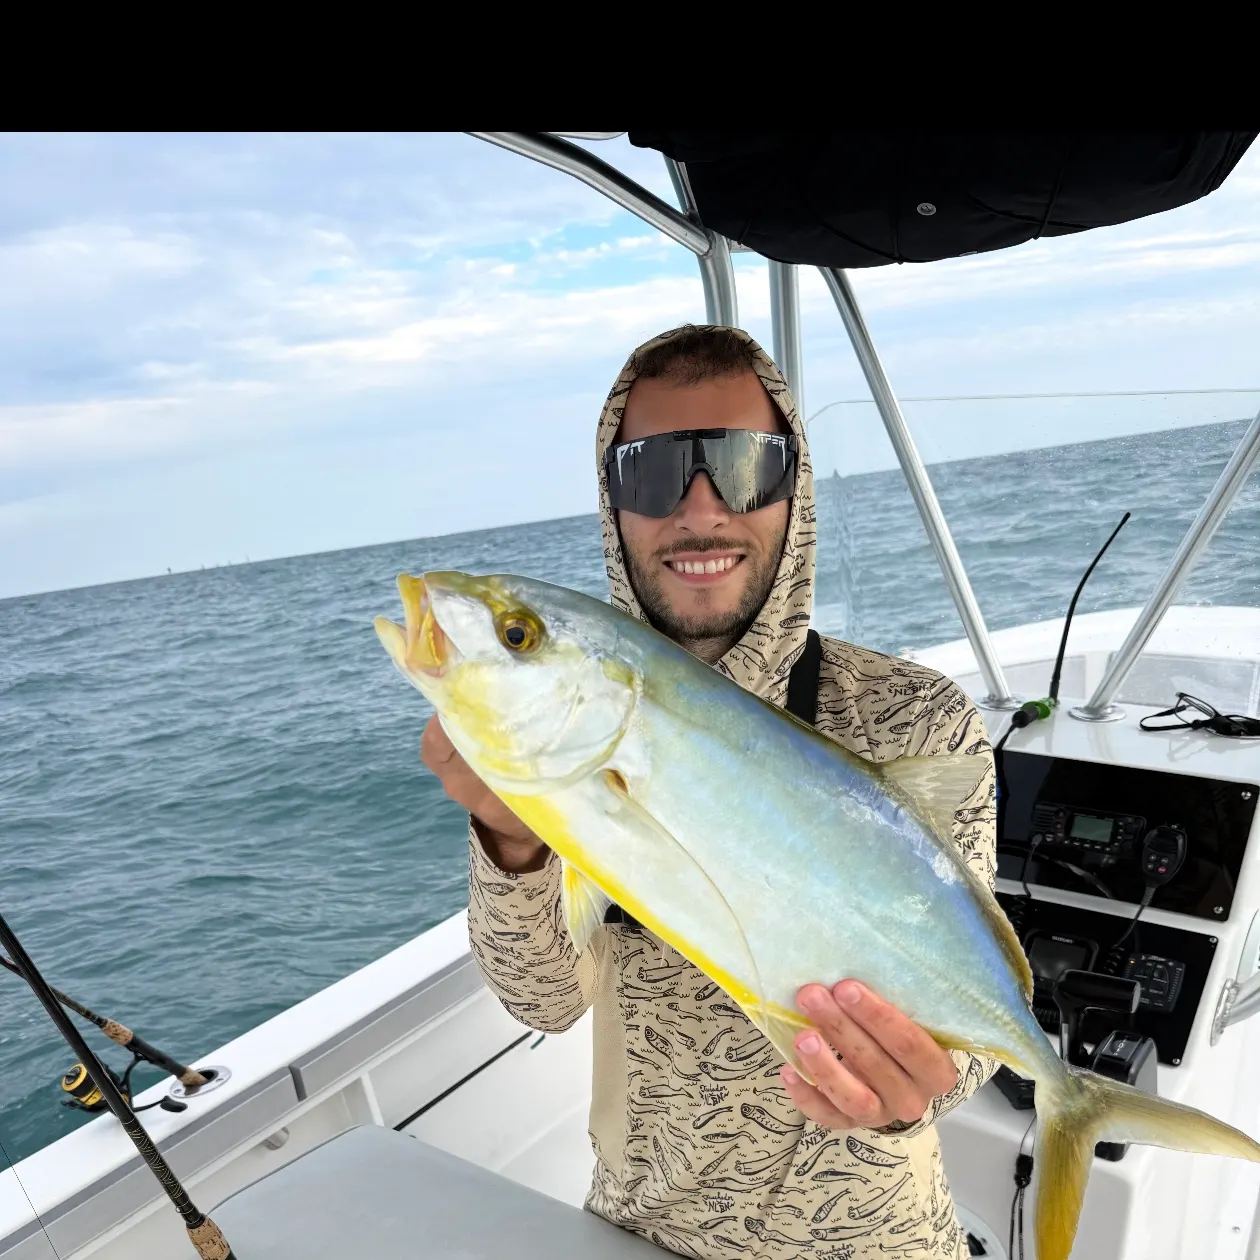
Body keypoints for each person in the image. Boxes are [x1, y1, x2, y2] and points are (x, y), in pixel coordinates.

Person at [422, 326, 997, 1259]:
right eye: (653, 473)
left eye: (743, 465)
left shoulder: (911, 717)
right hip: (636, 1225)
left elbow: (961, 1044)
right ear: (614, 505)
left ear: (794, 490)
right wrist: (511, 838)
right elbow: (546, 1001)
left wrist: (905, 1096)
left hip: (872, 1240)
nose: (701, 509)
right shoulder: (569, 711)